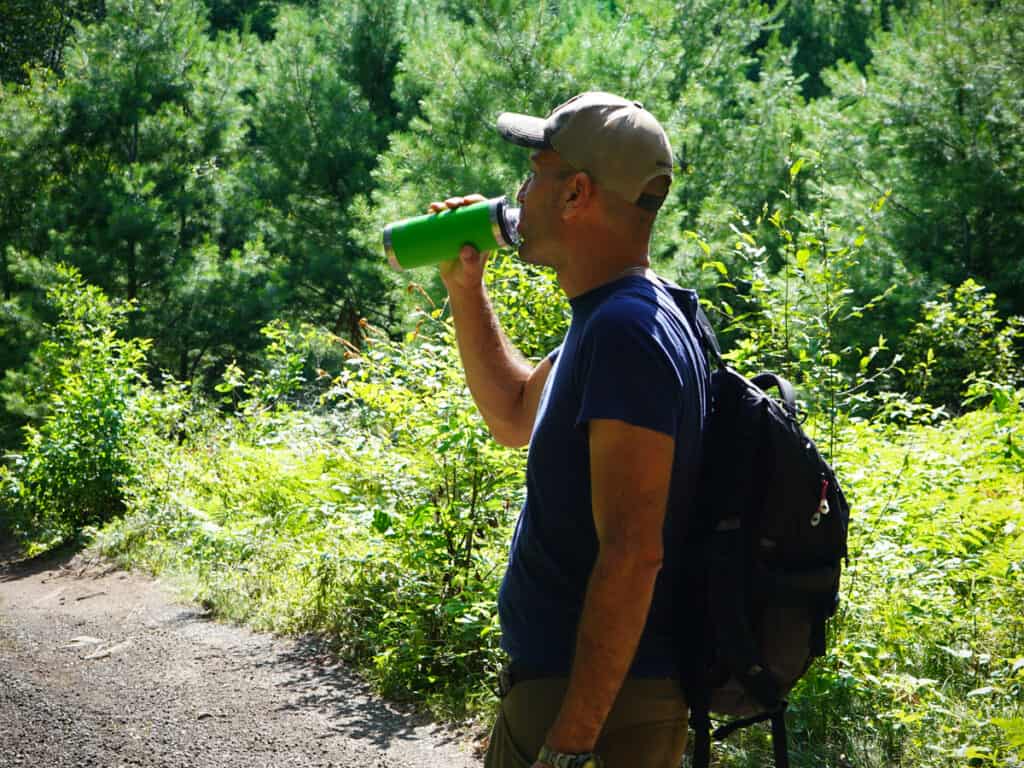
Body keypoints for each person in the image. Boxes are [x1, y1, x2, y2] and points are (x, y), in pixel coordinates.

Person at [429, 92, 710, 768]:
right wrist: (466, 288)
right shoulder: (619, 315)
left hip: (597, 711)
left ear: (576, 192)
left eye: (534, 172)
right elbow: (515, 412)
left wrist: (572, 741)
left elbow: (633, 552)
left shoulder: (627, 334)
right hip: (577, 694)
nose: (519, 192)